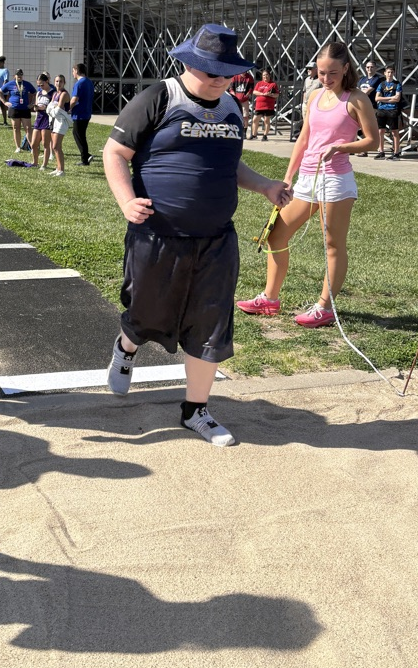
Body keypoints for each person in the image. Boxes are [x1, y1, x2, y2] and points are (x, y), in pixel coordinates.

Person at [103, 24, 292, 446]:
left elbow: (230, 165)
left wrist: (265, 185)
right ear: (188, 62)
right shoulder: (158, 98)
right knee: (146, 312)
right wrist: (126, 200)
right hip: (157, 235)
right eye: (211, 69)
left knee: (210, 324)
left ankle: (196, 410)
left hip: (216, 240)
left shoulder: (232, 108)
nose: (221, 77)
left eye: (227, 70)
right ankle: (126, 348)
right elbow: (115, 152)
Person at [236, 40, 379, 328]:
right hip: (307, 179)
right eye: (321, 72)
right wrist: (288, 177)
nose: (326, 79)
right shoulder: (315, 97)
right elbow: (304, 139)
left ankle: (324, 308)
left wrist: (341, 147)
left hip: (336, 181)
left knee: (332, 244)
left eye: (332, 74)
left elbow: (374, 141)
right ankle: (270, 299)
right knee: (275, 236)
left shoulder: (356, 99)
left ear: (346, 68)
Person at [0, 69, 36, 153]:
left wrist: (32, 103)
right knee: (16, 128)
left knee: (28, 128)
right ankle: (18, 147)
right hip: (14, 108)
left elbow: (35, 93)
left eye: (21, 74)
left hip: (25, 109)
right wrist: (5, 102)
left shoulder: (27, 84)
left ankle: (32, 147)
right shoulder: (10, 84)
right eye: (17, 74)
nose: (19, 76)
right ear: (14, 76)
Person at [374, 65, 403, 160]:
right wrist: (390, 98)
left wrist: (384, 99)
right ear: (385, 73)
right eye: (388, 72)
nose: (390, 74)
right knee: (380, 131)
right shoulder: (381, 84)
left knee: (394, 131)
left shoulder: (397, 84)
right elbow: (377, 98)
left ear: (393, 73)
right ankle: (381, 151)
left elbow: (397, 98)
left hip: (392, 109)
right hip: (381, 109)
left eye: (391, 72)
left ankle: (396, 152)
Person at [356, 59, 382, 157]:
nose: (369, 69)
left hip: (371, 106)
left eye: (372, 67)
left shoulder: (376, 79)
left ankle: (365, 149)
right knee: (358, 127)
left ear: (375, 68)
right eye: (368, 67)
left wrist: (358, 94)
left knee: (367, 127)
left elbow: (368, 91)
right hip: (360, 105)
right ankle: (356, 147)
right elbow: (357, 90)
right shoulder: (362, 79)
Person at [46, 74, 71, 176]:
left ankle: (62, 170)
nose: (58, 83)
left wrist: (52, 108)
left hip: (61, 121)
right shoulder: (55, 93)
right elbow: (49, 108)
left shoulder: (64, 94)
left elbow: (58, 109)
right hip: (53, 120)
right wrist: (52, 108)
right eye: (57, 81)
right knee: (54, 147)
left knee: (56, 145)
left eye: (61, 81)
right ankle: (58, 168)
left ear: (64, 83)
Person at [70, 63, 94, 165]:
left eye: (73, 71)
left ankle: (85, 158)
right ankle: (86, 155)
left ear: (76, 70)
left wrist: (67, 108)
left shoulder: (79, 83)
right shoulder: (89, 82)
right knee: (80, 135)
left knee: (78, 135)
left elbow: (75, 99)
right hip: (87, 112)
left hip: (79, 113)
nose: (72, 74)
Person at [31, 73, 53, 168]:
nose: (40, 87)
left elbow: (54, 106)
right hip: (39, 119)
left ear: (47, 81)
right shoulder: (39, 93)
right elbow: (36, 105)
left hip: (47, 119)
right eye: (38, 85)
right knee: (33, 144)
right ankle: (35, 162)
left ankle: (44, 164)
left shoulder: (53, 93)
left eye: (42, 84)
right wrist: (36, 108)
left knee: (45, 143)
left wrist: (45, 107)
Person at [251, 69, 279, 141]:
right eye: (264, 75)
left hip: (268, 106)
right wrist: (262, 94)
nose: (265, 76)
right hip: (259, 105)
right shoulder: (259, 84)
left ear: (269, 75)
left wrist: (270, 94)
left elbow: (277, 95)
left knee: (266, 120)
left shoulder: (273, 84)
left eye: (266, 75)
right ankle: (254, 134)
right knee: (255, 119)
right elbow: (254, 91)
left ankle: (265, 135)